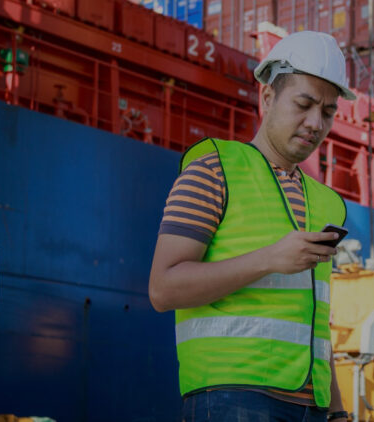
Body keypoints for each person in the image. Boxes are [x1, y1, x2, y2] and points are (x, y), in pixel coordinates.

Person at [149, 31, 356, 422]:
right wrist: (269, 259)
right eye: (304, 104)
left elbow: (314, 319)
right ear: (267, 97)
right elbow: (162, 288)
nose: (315, 123)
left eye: (328, 112)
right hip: (232, 398)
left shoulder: (327, 203)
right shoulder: (213, 169)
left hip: (313, 407)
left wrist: (338, 411)